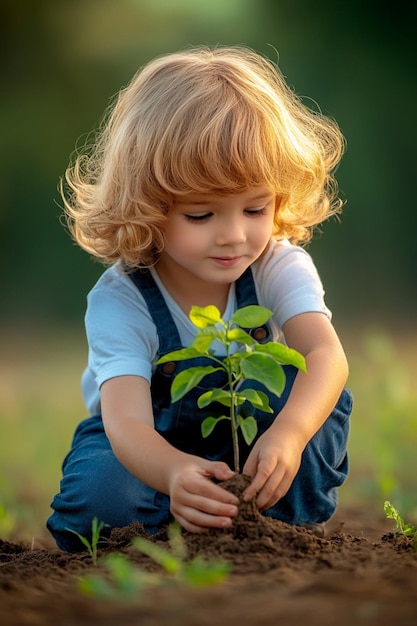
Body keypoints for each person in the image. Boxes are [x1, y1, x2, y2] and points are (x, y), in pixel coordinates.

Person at [47, 46, 352, 552]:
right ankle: (184, 512)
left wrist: (289, 435)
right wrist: (173, 472)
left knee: (314, 407)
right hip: (149, 443)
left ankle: (270, 524)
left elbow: (326, 355)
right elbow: (125, 423)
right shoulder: (121, 299)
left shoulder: (277, 264)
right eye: (201, 215)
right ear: (146, 206)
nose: (234, 236)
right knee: (98, 501)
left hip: (260, 438)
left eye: (255, 208)